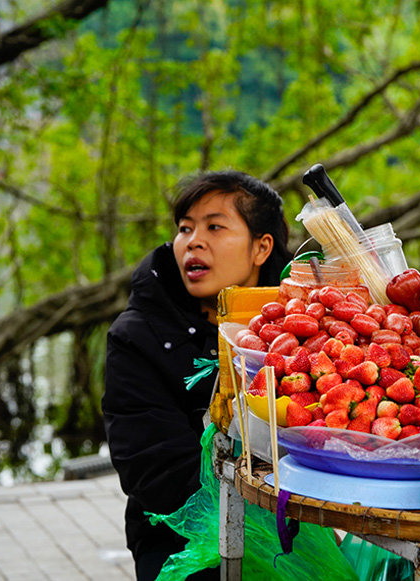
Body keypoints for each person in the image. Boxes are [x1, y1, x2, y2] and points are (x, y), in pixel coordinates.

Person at [102, 170, 292, 581]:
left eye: (214, 226)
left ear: (261, 248)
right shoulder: (137, 337)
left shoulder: (299, 325)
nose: (193, 241)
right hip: (180, 540)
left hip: (290, 528)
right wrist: (252, 509)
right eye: (185, 229)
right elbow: (153, 470)